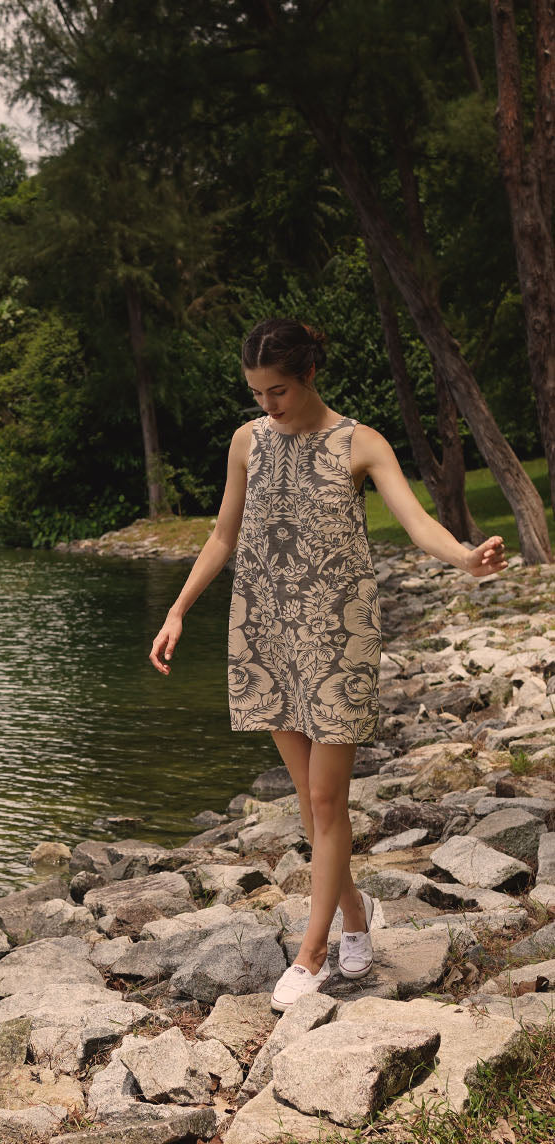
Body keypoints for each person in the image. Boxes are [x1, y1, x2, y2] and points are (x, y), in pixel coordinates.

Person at [148, 317, 507, 1012]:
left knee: (324, 800)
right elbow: (224, 534)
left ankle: (312, 957)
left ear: (309, 374)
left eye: (277, 391)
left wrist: (464, 557)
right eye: (257, 392)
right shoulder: (246, 443)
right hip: (266, 631)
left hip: (338, 638)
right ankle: (354, 917)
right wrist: (178, 610)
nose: (267, 406)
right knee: (314, 814)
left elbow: (416, 520)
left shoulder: (359, 443)